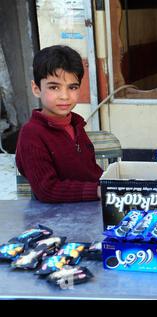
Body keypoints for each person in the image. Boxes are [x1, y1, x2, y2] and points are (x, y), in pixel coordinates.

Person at [15, 45, 103, 203]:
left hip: (90, 209)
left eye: (72, 87)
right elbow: (47, 190)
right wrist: (97, 191)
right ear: (36, 89)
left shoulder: (75, 124)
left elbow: (90, 172)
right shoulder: (31, 134)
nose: (65, 96)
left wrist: (111, 185)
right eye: (54, 87)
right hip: (56, 219)